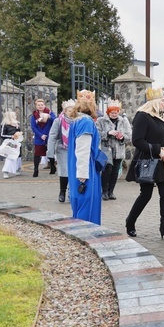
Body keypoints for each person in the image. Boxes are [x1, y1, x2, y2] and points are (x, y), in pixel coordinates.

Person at [125, 87, 164, 241]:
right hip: (148, 161)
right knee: (146, 195)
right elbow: (137, 140)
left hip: (163, 161)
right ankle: (130, 222)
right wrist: (157, 150)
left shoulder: (162, 118)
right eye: (162, 100)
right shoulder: (143, 116)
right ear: (155, 102)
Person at [67, 90, 103, 225]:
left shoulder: (76, 120)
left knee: (79, 204)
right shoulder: (86, 121)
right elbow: (82, 149)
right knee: (87, 206)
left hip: (76, 166)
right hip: (86, 169)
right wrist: (82, 173)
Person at [96, 99, 132, 201]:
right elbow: (97, 134)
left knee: (115, 171)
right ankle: (104, 191)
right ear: (108, 112)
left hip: (119, 149)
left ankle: (111, 191)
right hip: (106, 148)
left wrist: (122, 137)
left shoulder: (124, 121)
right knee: (107, 169)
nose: (114, 114)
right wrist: (108, 133)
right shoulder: (101, 120)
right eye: (112, 112)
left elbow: (129, 135)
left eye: (116, 112)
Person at [47, 100, 77, 201]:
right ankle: (62, 191)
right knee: (64, 171)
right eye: (69, 110)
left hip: (76, 149)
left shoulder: (78, 120)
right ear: (64, 111)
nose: (71, 112)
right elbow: (52, 136)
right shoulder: (58, 121)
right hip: (62, 148)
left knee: (74, 171)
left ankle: (71, 192)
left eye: (73, 110)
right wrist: (50, 152)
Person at [30, 98, 54, 177]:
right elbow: (33, 127)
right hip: (39, 137)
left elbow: (56, 121)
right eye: (38, 105)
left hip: (49, 136)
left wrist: (49, 117)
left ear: (44, 105)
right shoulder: (34, 115)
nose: (40, 106)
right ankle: (36, 170)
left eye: (42, 105)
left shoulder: (50, 113)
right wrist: (40, 135)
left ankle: (52, 167)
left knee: (50, 152)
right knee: (37, 154)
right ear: (36, 106)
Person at [0, 110, 23, 179]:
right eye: (14, 116)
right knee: (10, 156)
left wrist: (20, 134)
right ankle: (6, 171)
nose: (16, 117)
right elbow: (2, 135)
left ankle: (18, 169)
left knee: (18, 155)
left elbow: (19, 132)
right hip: (9, 143)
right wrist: (11, 136)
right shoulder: (5, 125)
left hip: (17, 142)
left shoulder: (16, 124)